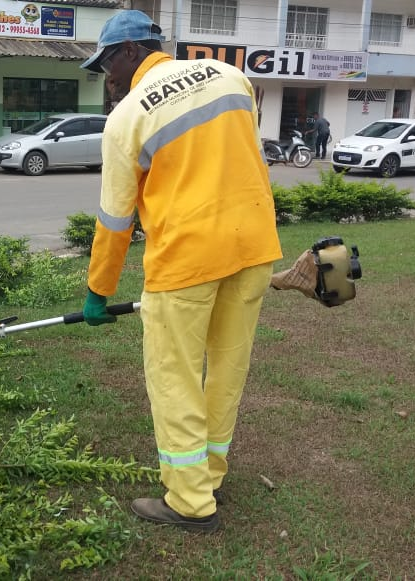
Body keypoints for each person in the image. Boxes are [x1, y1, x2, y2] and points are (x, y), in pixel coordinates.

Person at [79, 10, 282, 533]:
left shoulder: (126, 119)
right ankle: (210, 472)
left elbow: (114, 219)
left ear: (129, 52)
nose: (109, 76)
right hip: (254, 248)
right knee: (227, 371)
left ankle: (190, 501)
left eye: (108, 64)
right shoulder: (231, 76)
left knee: (175, 379)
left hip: (186, 261)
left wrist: (98, 293)